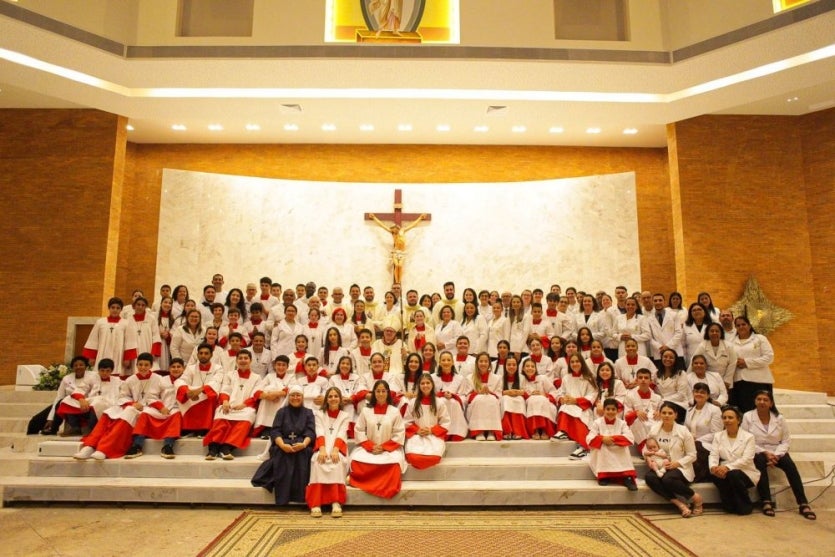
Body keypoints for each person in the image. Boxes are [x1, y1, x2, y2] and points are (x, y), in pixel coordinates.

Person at [742, 390, 816, 520]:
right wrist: (765, 453)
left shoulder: (779, 418)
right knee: (759, 462)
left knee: (790, 466)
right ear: (755, 401)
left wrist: (776, 455)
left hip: (777, 451)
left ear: (771, 403)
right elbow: (745, 438)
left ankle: (803, 503)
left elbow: (786, 440)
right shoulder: (748, 417)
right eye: (759, 399)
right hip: (757, 450)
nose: (762, 402)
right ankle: (766, 501)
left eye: (765, 400)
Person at [73, 353, 162, 460]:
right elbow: (123, 397)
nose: (143, 367)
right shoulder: (130, 379)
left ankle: (104, 449)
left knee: (127, 413)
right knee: (109, 413)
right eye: (140, 365)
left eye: (146, 365)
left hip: (150, 410)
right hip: (132, 406)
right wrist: (132, 404)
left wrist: (148, 405)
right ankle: (89, 446)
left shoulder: (159, 379)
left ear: (151, 366)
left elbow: (163, 397)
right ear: (137, 365)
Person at [251, 385, 316, 506]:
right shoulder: (281, 412)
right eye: (292, 395)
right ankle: (283, 497)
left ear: (302, 397)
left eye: (298, 395)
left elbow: (310, 431)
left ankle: (300, 496)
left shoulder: (308, 412)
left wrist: (303, 444)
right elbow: (275, 431)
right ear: (288, 397)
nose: (295, 398)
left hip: (302, 445)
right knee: (282, 454)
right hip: (283, 444)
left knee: (304, 454)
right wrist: (282, 445)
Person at [348, 380, 407, 499]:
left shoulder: (394, 411)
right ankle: (361, 481)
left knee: (394, 464)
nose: (380, 394)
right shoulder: (366, 411)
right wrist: (370, 446)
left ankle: (362, 482)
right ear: (374, 393)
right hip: (369, 448)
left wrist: (384, 447)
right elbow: (359, 430)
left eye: (383, 391)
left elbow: (399, 433)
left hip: (389, 449)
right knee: (356, 461)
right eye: (378, 391)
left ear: (388, 393)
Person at [644, 402, 703, 517]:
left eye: (670, 413)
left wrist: (677, 463)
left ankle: (696, 498)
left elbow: (692, 455)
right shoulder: (654, 430)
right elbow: (645, 447)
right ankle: (679, 504)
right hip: (660, 465)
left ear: (676, 415)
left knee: (667, 479)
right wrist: (648, 458)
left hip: (680, 467)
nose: (666, 415)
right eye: (664, 413)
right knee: (650, 477)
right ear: (660, 414)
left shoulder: (683, 431)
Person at [203, 350, 262, 460]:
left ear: (251, 361)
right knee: (220, 417)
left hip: (246, 407)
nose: (243, 360)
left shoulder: (257, 377)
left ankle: (226, 448)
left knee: (246, 419)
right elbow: (225, 389)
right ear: (236, 361)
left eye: (246, 358)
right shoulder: (230, 375)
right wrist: (225, 401)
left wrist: (244, 405)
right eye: (240, 358)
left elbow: (256, 394)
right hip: (228, 405)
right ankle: (213, 448)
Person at [305, 386, 350, 517]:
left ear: (340, 399)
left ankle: (336, 502)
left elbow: (341, 433)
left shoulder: (345, 416)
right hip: (322, 446)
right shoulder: (319, 414)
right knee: (318, 462)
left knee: (337, 463)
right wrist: (322, 450)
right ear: (326, 399)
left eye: (336, 396)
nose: (333, 399)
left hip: (338, 447)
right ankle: (316, 503)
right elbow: (319, 431)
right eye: (330, 396)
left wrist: (335, 450)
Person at [127, 357, 184, 459]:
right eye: (173, 367)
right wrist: (161, 407)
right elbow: (152, 396)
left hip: (176, 408)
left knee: (177, 415)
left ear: (183, 369)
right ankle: (137, 445)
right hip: (161, 408)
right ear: (169, 368)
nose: (176, 369)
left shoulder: (186, 380)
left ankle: (168, 445)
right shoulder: (162, 380)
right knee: (145, 414)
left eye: (178, 367)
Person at [709, 404, 760, 515]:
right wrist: (713, 467)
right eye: (724, 417)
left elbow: (747, 459)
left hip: (745, 471)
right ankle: (729, 504)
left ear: (738, 420)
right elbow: (713, 455)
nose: (727, 420)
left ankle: (745, 505)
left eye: (730, 417)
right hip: (724, 470)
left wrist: (727, 467)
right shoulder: (718, 436)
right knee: (715, 474)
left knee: (733, 474)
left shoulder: (748, 437)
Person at [552, 353, 598, 459]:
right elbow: (560, 392)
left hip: (582, 408)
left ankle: (566, 433)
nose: (574, 364)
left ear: (582, 363)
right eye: (572, 362)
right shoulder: (566, 377)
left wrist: (576, 401)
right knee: (565, 408)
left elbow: (593, 395)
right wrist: (561, 398)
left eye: (577, 361)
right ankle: (582, 446)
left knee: (575, 415)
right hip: (568, 405)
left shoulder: (589, 378)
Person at [587, 398, 638, 490]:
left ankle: (627, 477)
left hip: (618, 447)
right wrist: (602, 438)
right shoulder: (597, 423)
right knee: (603, 448)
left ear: (617, 411)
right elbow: (589, 438)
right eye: (608, 409)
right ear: (604, 410)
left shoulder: (622, 423)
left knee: (624, 449)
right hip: (603, 448)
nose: (611, 412)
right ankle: (604, 476)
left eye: (613, 409)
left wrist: (613, 439)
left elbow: (630, 438)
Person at [82, 297, 138, 377]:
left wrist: (127, 358)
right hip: (102, 353)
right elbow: (93, 340)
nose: (115, 310)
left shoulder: (125, 323)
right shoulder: (100, 322)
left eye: (118, 308)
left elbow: (129, 342)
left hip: (119, 355)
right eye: (113, 307)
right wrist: (92, 356)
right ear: (109, 308)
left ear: (121, 310)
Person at [404, 373, 450, 469]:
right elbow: (407, 422)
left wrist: (431, 430)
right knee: (413, 457)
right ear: (419, 386)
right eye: (422, 383)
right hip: (417, 435)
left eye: (428, 383)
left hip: (434, 435)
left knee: (433, 457)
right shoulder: (413, 402)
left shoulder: (439, 402)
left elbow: (445, 422)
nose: (425, 386)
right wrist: (417, 430)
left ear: (432, 384)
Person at [175, 342, 223, 436]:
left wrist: (200, 390)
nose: (203, 355)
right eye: (200, 353)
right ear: (197, 355)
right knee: (181, 390)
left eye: (206, 353)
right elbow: (181, 380)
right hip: (192, 396)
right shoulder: (191, 368)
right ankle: (189, 428)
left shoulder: (218, 368)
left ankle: (204, 428)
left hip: (207, 396)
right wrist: (187, 391)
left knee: (209, 395)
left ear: (211, 355)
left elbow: (216, 382)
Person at [366, 211, 428, 283]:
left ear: (397, 228)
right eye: (393, 231)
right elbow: (382, 225)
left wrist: (420, 218)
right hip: (395, 252)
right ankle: (397, 282)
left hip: (402, 252)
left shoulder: (402, 231)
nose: (393, 231)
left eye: (394, 230)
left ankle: (398, 282)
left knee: (400, 265)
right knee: (397, 265)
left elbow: (412, 225)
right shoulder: (393, 233)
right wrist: (374, 218)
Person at [731, 316, 775, 414]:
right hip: (739, 382)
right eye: (738, 325)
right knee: (744, 412)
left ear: (749, 326)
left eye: (743, 324)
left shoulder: (760, 338)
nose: (741, 327)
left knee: (761, 411)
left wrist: (747, 362)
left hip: (759, 381)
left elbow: (769, 357)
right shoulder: (732, 342)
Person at [42, 356, 95, 436]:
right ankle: (72, 427)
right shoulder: (66, 379)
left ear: (86, 366)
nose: (78, 367)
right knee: (62, 401)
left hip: (87, 406)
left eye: (81, 365)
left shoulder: (93, 376)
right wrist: (51, 418)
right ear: (72, 367)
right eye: (75, 365)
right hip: (71, 409)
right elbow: (59, 397)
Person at [684, 382, 723, 482]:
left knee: (696, 446)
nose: (699, 394)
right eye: (696, 392)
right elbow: (685, 429)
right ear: (693, 393)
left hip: (708, 444)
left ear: (708, 395)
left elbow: (717, 433)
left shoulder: (715, 410)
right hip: (691, 442)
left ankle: (700, 476)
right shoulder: (689, 410)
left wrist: (697, 440)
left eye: (702, 392)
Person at [464, 352, 503, 441]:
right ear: (477, 363)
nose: (483, 364)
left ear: (489, 363)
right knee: (480, 399)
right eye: (481, 361)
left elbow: (499, 396)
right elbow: (467, 396)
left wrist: (490, 392)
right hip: (475, 403)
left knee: (491, 399)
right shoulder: (470, 378)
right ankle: (479, 431)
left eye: (486, 361)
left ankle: (491, 431)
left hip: (492, 401)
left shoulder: (497, 378)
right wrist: (478, 393)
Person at [433, 350, 468, 441]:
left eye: (448, 360)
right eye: (443, 360)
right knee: (442, 401)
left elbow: (463, 396)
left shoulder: (460, 378)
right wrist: (440, 394)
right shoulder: (433, 377)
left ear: (453, 362)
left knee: (452, 402)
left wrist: (453, 396)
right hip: (438, 403)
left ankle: (455, 431)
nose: (446, 362)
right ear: (439, 362)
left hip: (454, 405)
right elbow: (428, 394)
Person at [520, 357, 557, 440]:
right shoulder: (521, 380)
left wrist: (543, 394)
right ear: (523, 368)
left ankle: (544, 429)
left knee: (540, 399)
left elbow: (554, 393)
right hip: (530, 404)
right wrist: (529, 396)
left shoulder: (543, 378)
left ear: (535, 368)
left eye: (532, 366)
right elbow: (521, 394)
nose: (530, 368)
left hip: (545, 401)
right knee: (534, 400)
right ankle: (535, 430)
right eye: (527, 366)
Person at [694, 322, 737, 392]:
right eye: (712, 331)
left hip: (725, 380)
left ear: (721, 333)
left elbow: (733, 363)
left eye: (717, 331)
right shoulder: (702, 346)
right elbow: (694, 361)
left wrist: (727, 381)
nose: (714, 333)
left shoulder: (729, 346)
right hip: (707, 379)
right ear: (707, 333)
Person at [654, 348, 691, 423]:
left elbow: (681, 394)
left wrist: (663, 401)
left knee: (664, 416)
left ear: (675, 360)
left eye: (671, 357)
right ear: (661, 358)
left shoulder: (681, 373)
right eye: (665, 357)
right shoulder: (656, 374)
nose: (668, 359)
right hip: (661, 404)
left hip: (679, 404)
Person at [499, 355, 527, 440]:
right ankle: (507, 431)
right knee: (505, 400)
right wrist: (506, 392)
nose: (511, 367)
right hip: (505, 398)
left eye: (514, 365)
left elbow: (525, 390)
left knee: (520, 400)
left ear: (517, 366)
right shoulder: (500, 377)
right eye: (509, 364)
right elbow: (497, 391)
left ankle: (518, 431)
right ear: (505, 366)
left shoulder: (522, 377)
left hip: (518, 397)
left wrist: (519, 392)